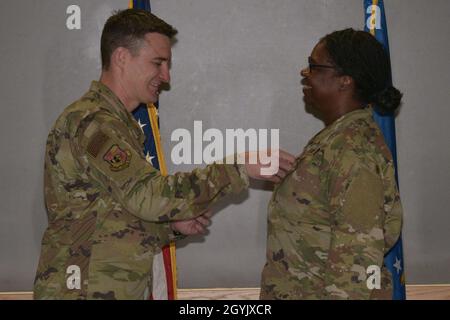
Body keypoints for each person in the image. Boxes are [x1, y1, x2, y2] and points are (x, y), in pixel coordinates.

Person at [34, 9, 294, 300]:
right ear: (121, 57)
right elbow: (149, 195)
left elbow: (106, 219)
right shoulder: (93, 122)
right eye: (157, 63)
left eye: (167, 65)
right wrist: (238, 168)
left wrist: (169, 226)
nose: (166, 77)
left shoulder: (114, 123)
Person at [259, 28, 403, 300]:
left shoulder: (353, 150)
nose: (305, 74)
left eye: (314, 66)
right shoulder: (336, 141)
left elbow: (358, 259)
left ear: (345, 80)